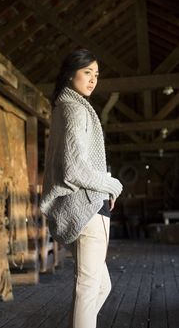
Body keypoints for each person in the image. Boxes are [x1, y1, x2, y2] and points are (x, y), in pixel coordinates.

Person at [39, 48, 123, 328]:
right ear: (70, 73)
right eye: (87, 72)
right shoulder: (74, 108)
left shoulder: (64, 107)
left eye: (96, 74)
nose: (93, 80)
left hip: (86, 208)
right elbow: (74, 169)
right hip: (88, 209)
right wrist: (111, 184)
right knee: (89, 288)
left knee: (99, 287)